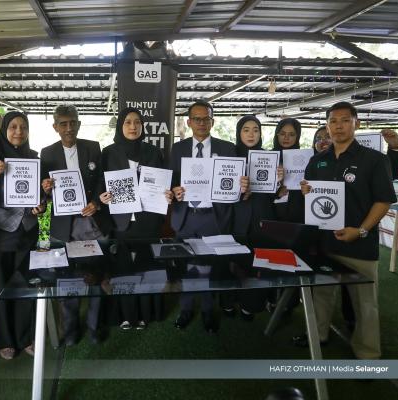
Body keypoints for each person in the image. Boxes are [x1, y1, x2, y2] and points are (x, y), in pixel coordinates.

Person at [298, 102, 396, 359]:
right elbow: (313, 199)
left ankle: (368, 354)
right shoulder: (317, 161)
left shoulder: (375, 160)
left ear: (356, 123)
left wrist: (361, 231)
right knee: (320, 295)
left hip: (359, 244)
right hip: (324, 243)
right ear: (327, 125)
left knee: (365, 303)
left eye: (344, 120)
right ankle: (318, 336)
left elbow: (383, 201)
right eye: (333, 121)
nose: (338, 126)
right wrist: (307, 192)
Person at [169, 100, 248, 334]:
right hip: (186, 217)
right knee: (186, 267)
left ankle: (207, 311)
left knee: (211, 269)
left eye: (206, 119)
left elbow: (235, 185)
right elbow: (170, 182)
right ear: (189, 122)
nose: (202, 123)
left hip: (214, 218)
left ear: (213, 122)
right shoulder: (177, 149)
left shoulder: (228, 148)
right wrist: (174, 190)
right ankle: (185, 309)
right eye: (197, 119)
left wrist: (243, 186)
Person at [40, 105, 111, 345]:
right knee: (66, 280)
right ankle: (70, 331)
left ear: (79, 124)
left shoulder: (93, 147)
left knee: (96, 277)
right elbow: (44, 191)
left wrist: (95, 203)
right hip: (64, 227)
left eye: (73, 123)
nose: (69, 128)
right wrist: (46, 189)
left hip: (92, 223)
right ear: (55, 127)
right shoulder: (47, 153)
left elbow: (101, 179)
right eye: (63, 123)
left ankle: (94, 327)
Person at [99, 107, 172, 329]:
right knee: (122, 271)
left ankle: (144, 314)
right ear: (120, 125)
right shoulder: (108, 153)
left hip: (148, 221)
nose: (133, 126)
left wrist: (167, 194)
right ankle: (125, 314)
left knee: (147, 269)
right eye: (128, 122)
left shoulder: (154, 152)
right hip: (120, 222)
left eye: (137, 122)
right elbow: (100, 185)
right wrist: (102, 197)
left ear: (142, 126)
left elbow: (163, 184)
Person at [0, 111, 42, 360]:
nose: (18, 131)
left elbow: (40, 196)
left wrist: (41, 204)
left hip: (27, 231)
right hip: (0, 234)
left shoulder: (34, 158)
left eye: (23, 127)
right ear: (4, 130)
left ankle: (25, 336)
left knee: (26, 285)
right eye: (13, 126)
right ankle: (4, 340)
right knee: (0, 287)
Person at [225, 115, 277, 320]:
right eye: (246, 130)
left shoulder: (270, 157)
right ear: (239, 133)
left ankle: (250, 306)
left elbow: (275, 196)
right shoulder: (229, 156)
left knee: (257, 265)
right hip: (235, 219)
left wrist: (278, 182)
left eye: (255, 130)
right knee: (231, 264)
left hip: (261, 219)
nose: (251, 134)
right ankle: (228, 302)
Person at [272, 118, 305, 223]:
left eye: (291, 134)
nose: (286, 138)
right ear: (277, 135)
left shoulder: (305, 158)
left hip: (297, 212)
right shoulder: (268, 157)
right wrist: (277, 192)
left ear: (297, 136)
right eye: (282, 134)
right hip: (271, 212)